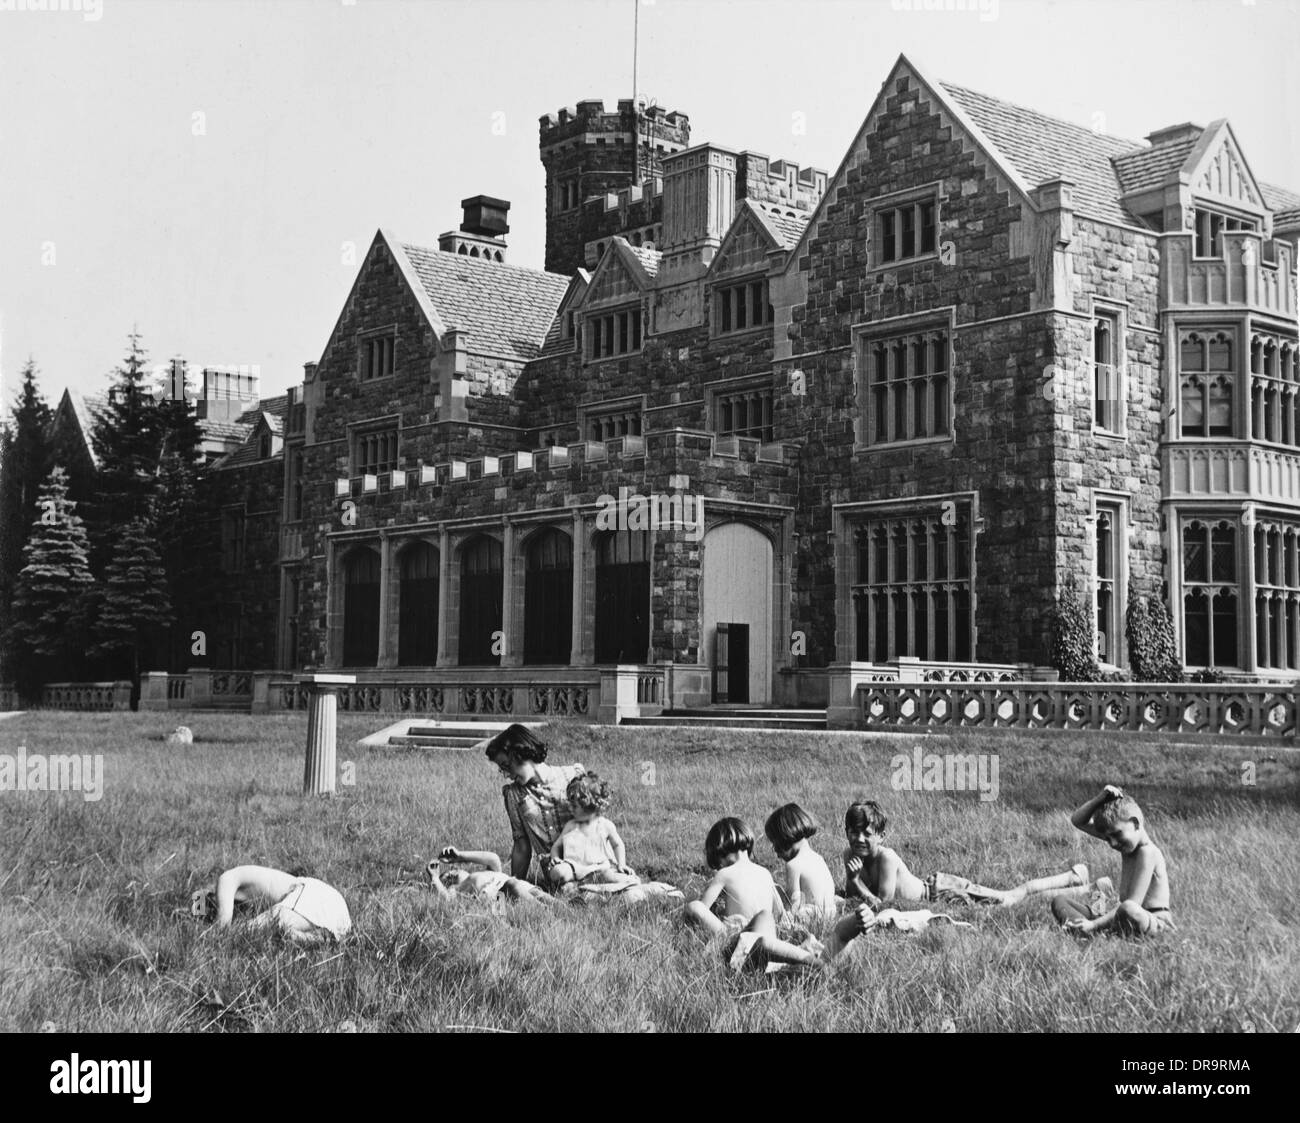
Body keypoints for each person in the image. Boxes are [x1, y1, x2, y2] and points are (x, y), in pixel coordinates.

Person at [684, 817, 869, 971]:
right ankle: (832, 942)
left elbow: (703, 907)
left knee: (694, 907)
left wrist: (701, 924)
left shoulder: (723, 873)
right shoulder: (764, 873)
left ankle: (809, 959)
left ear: (719, 854)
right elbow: (780, 913)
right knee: (766, 926)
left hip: (740, 941)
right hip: (769, 934)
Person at [842, 799, 1095, 907]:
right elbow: (857, 895)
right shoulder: (849, 855)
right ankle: (1074, 881)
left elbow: (884, 904)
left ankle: (1078, 884)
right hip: (936, 891)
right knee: (1009, 899)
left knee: (1010, 899)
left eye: (868, 833)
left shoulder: (886, 857)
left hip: (941, 892)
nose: (860, 839)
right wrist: (850, 886)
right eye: (854, 832)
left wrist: (853, 881)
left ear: (881, 836)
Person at [1054, 785, 1174, 937]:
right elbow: (1078, 821)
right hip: (1122, 916)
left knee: (1128, 908)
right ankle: (1085, 931)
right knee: (1060, 901)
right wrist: (1099, 799)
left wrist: (1094, 924)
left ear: (1135, 823)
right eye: (1108, 839)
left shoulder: (1147, 852)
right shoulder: (1126, 843)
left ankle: (1092, 930)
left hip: (1152, 921)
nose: (1113, 843)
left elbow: (1133, 903)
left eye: (1116, 835)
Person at [482, 724, 585, 884]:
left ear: (519, 753)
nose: (507, 775)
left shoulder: (572, 775)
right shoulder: (514, 794)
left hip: (588, 858)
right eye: (502, 770)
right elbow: (521, 846)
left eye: (506, 766)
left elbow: (596, 824)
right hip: (557, 873)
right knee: (569, 890)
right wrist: (515, 886)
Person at [192, 865, 351, 946]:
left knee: (267, 924)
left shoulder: (226, 879)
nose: (215, 911)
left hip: (312, 894)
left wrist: (208, 927)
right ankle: (322, 939)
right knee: (283, 929)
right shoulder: (244, 898)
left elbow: (223, 930)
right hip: (336, 911)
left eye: (211, 908)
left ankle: (322, 938)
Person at [548, 773, 637, 890]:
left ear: (590, 807)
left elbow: (618, 844)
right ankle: (580, 885)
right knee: (558, 872)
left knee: (622, 878)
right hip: (575, 869)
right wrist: (555, 858)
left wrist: (622, 864)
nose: (570, 808)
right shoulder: (571, 826)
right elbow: (556, 846)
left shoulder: (605, 825)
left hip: (600, 869)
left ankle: (582, 886)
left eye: (574, 806)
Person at [763, 802, 839, 920]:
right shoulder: (818, 858)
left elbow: (793, 904)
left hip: (811, 916)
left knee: (773, 888)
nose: (777, 854)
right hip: (830, 912)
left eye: (776, 847)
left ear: (785, 839)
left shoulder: (794, 865)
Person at [428, 846, 555, 905]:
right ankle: (543, 912)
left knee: (542, 895)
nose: (451, 874)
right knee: (512, 885)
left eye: (452, 871)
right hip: (499, 903)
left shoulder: (486, 872)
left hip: (521, 886)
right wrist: (435, 877)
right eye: (447, 879)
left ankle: (565, 911)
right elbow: (445, 898)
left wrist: (460, 856)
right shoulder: (457, 889)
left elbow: (493, 858)